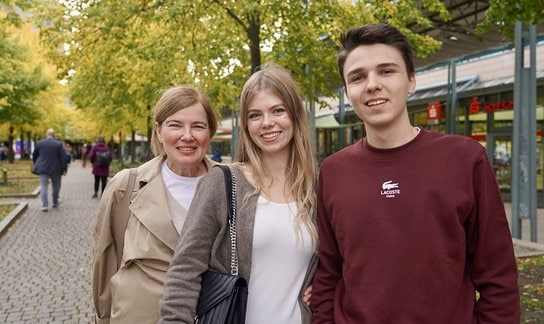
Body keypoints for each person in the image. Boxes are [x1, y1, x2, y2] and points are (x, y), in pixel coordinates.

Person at [310, 23, 520, 323]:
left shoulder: (464, 159)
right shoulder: (333, 171)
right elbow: (329, 272)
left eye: (386, 71)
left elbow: (498, 275)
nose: (372, 84)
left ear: (411, 81)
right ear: (347, 92)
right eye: (358, 77)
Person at [160, 63, 318, 323]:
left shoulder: (316, 188)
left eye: (278, 110)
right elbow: (184, 271)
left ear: (296, 115)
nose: (267, 123)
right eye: (255, 115)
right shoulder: (222, 183)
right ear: (245, 124)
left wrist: (323, 284)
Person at [92, 85, 218, 323]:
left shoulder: (232, 185)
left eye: (198, 126)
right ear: (159, 132)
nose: (187, 135)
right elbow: (105, 262)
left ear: (209, 132)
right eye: (175, 125)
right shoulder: (125, 186)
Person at [32, 128, 68, 212]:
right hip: (56, 169)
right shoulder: (58, 144)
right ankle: (55, 202)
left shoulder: (40, 143)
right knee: (56, 186)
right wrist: (64, 169)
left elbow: (35, 155)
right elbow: (63, 158)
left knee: (44, 186)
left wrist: (36, 163)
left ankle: (44, 205)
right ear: (54, 135)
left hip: (43, 168)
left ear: (46, 134)